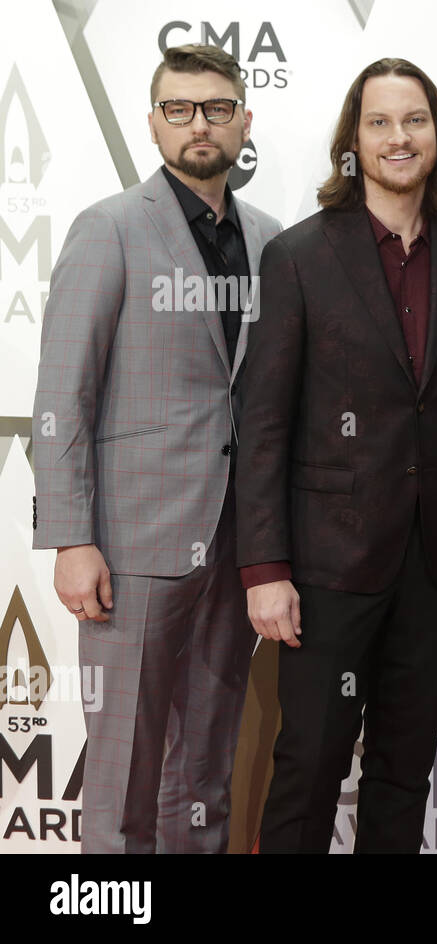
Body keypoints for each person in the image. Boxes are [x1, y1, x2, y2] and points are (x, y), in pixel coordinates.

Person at [235, 58, 437, 853]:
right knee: (308, 766)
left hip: (435, 564)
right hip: (325, 567)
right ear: (353, 140)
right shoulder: (299, 256)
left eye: (415, 120)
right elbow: (264, 423)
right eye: (381, 122)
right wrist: (264, 568)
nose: (400, 137)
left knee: (404, 773)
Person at [32, 44, 281, 853]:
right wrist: (72, 538)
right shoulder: (108, 228)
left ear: (244, 118)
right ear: (153, 123)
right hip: (132, 544)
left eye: (215, 107)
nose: (198, 124)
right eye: (179, 109)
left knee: (204, 767)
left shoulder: (273, 241)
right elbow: (61, 397)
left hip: (236, 540)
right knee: (123, 771)